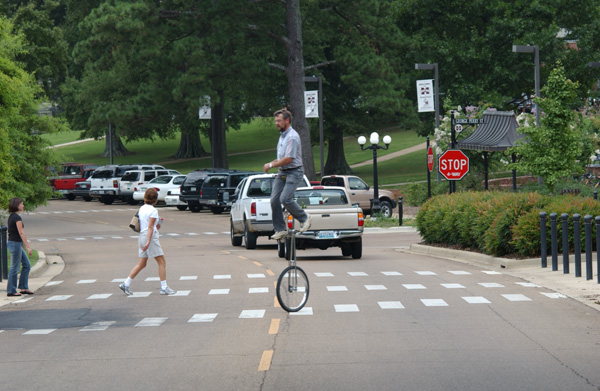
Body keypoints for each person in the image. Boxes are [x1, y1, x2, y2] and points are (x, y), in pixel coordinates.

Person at [263, 109, 312, 240]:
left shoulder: (292, 137)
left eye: (279, 121)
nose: (276, 123)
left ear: (287, 121)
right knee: (274, 200)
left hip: (294, 172)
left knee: (285, 199)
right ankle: (280, 229)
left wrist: (271, 165)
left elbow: (288, 159)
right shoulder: (282, 136)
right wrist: (270, 163)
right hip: (283, 171)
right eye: (275, 121)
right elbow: (281, 159)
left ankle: (304, 217)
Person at [119, 188, 176, 296]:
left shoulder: (142, 208)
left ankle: (126, 283)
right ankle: (164, 287)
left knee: (142, 263)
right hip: (149, 237)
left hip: (141, 236)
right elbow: (150, 227)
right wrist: (149, 241)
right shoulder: (153, 210)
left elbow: (148, 225)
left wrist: (155, 226)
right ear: (155, 199)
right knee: (162, 262)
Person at [6, 197, 33, 297]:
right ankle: (11, 290)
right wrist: (28, 247)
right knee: (14, 268)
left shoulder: (12, 216)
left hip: (14, 244)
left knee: (26, 265)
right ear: (17, 205)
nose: (23, 205)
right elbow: (21, 232)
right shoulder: (17, 218)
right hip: (15, 244)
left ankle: (23, 287)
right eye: (21, 204)